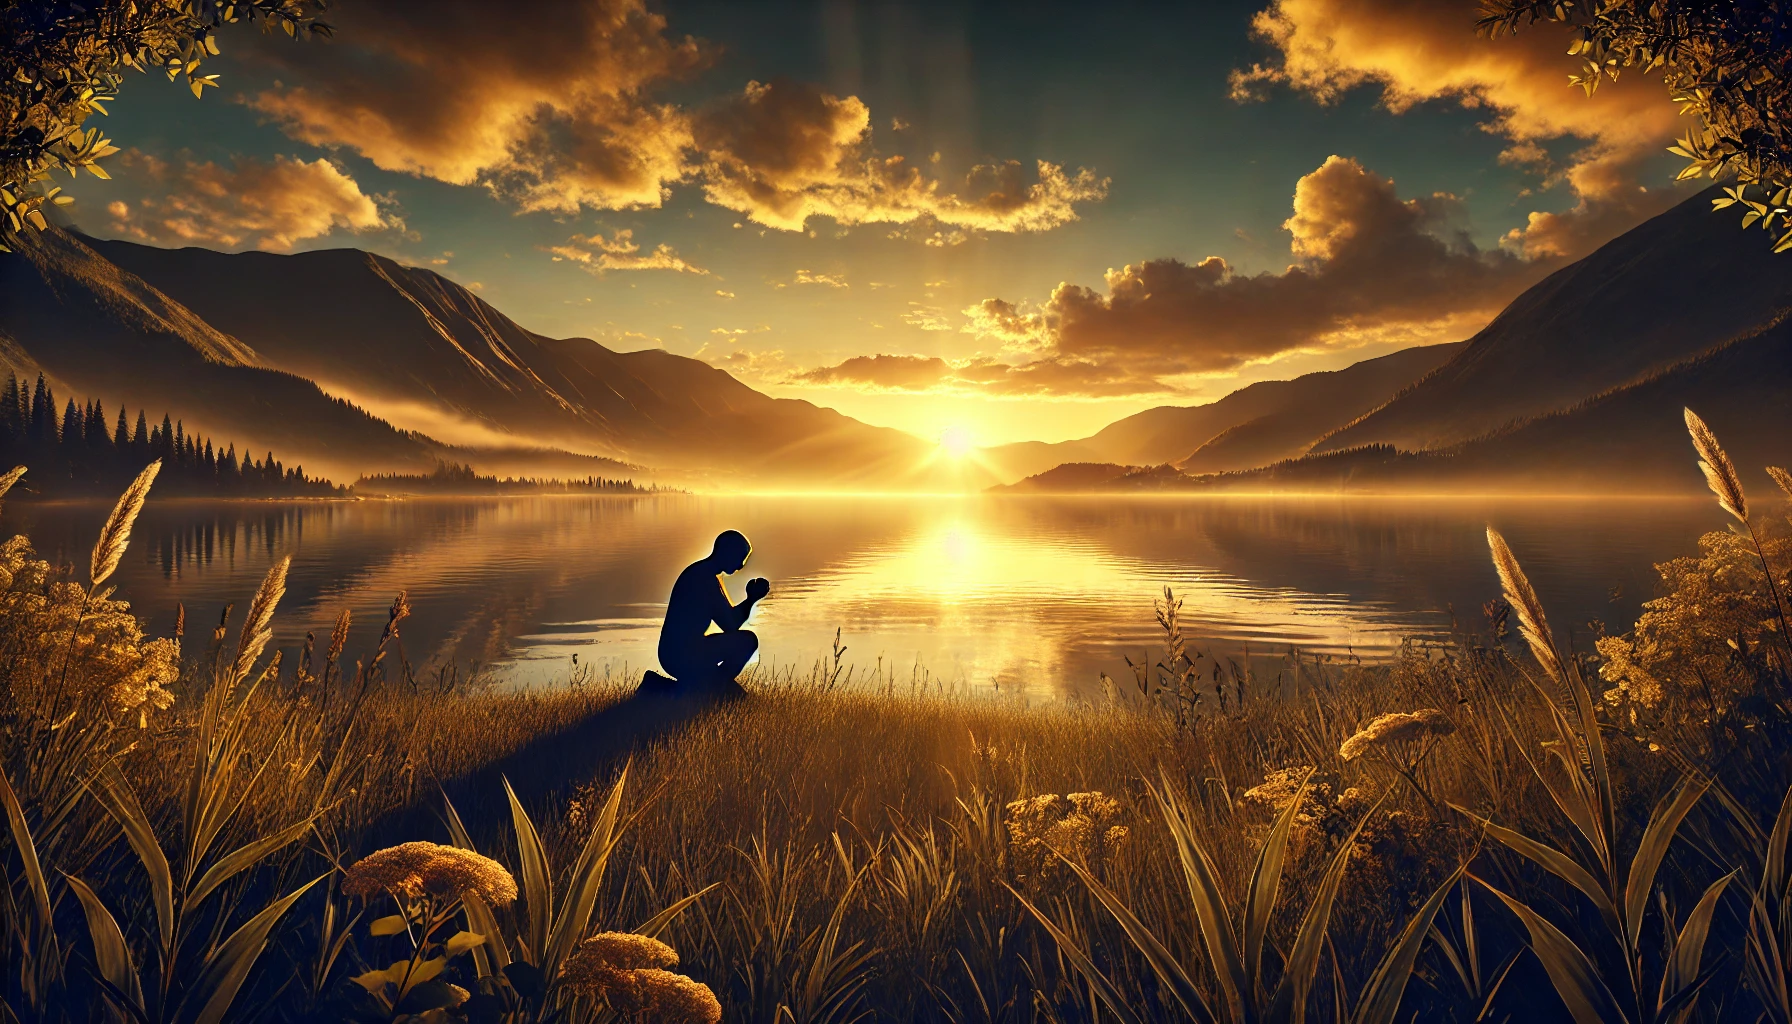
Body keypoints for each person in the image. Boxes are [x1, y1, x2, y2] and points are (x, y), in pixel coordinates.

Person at [646, 530, 768, 693]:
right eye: (741, 558)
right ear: (727, 552)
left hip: (681, 651)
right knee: (748, 641)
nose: (741, 565)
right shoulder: (704, 579)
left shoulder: (702, 573)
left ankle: (662, 686)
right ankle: (711, 690)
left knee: (736, 696)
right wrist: (751, 598)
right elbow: (730, 625)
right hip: (681, 654)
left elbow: (728, 621)